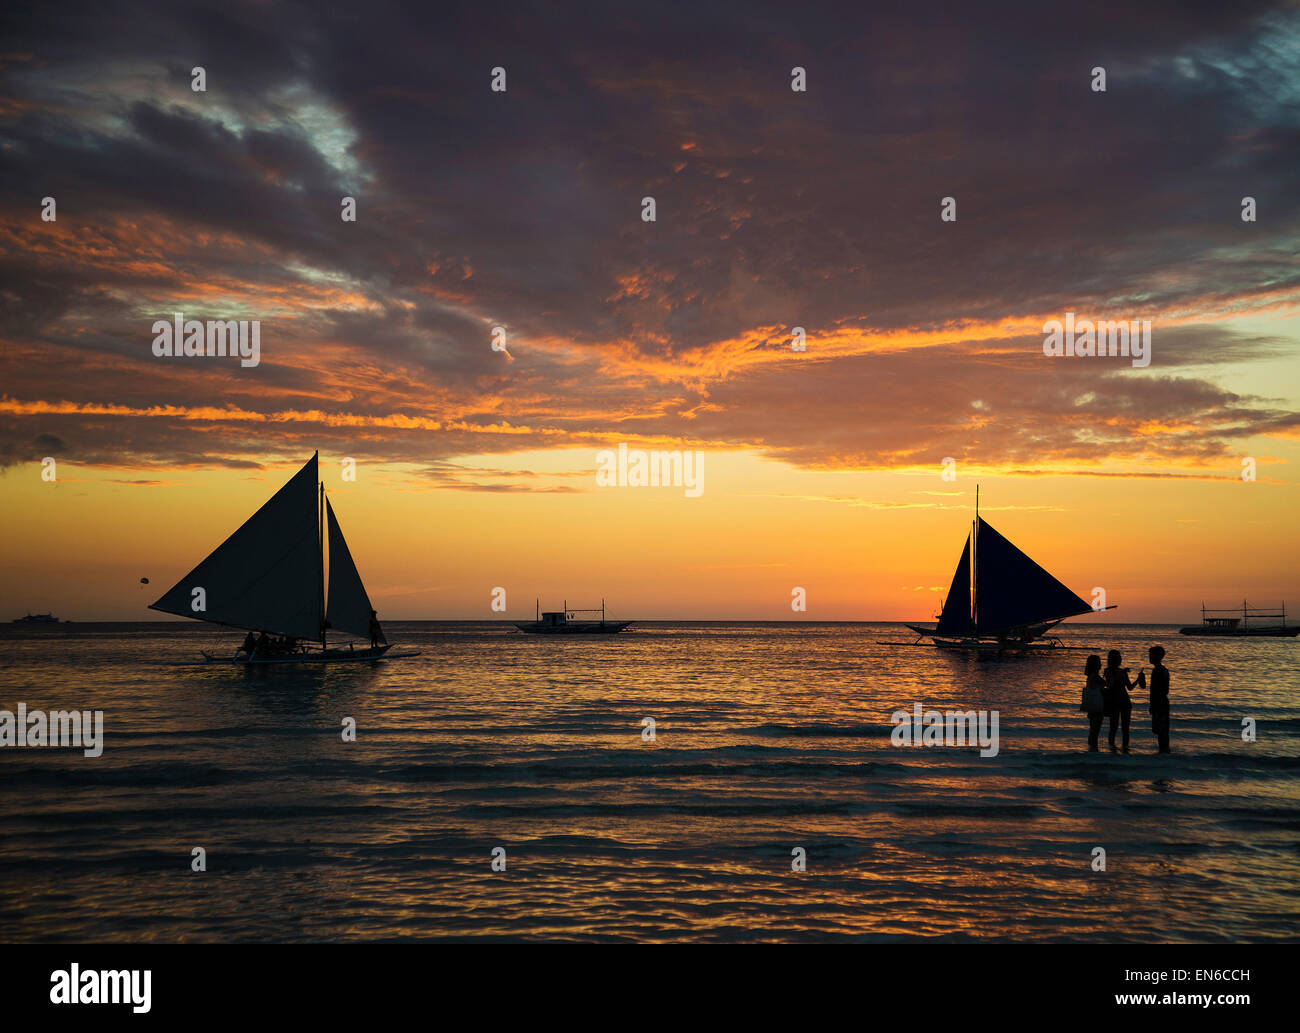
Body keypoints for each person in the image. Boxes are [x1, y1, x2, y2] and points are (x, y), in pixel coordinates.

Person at [1102, 650, 1137, 752]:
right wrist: (1120, 673)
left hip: (1125, 702)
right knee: (1114, 728)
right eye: (1119, 657)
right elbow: (1109, 686)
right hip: (1114, 703)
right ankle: (1112, 749)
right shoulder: (1108, 671)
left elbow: (1130, 687)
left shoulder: (1122, 672)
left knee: (1125, 729)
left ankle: (1124, 748)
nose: (1120, 659)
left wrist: (1138, 680)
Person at [1141, 645, 1171, 753]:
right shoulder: (1164, 670)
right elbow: (1165, 690)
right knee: (1163, 730)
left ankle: (1163, 752)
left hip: (1159, 703)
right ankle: (1164, 752)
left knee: (1160, 729)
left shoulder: (1157, 671)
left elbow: (1156, 691)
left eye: (1150, 655)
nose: (1149, 657)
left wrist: (1153, 705)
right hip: (1163, 702)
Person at [1080, 654, 1106, 751]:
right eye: (1099, 662)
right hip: (1096, 708)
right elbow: (1107, 684)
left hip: (1091, 707)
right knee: (1095, 731)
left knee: (1093, 730)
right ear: (1095, 665)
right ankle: (1093, 750)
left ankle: (1091, 750)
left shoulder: (1090, 676)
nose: (1101, 664)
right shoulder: (1095, 676)